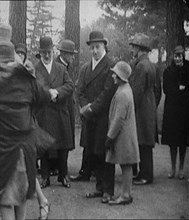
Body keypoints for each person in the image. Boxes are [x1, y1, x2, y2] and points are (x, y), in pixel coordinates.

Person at [0, 32, 53, 219]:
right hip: (24, 150)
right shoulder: (26, 80)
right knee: (21, 195)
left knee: (6, 199)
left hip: (2, 152)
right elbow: (45, 96)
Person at [77, 30, 117, 203]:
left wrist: (91, 108)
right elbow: (80, 91)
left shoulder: (111, 64)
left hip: (103, 117)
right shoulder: (86, 67)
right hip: (90, 117)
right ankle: (99, 188)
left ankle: (108, 189)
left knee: (104, 154)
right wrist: (85, 107)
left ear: (104, 47)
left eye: (97, 47)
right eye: (92, 47)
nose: (94, 51)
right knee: (93, 151)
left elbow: (107, 93)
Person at [15, 42, 51, 220]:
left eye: (22, 54)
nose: (20, 56)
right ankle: (40, 202)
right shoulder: (13, 69)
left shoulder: (28, 69)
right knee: (22, 168)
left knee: (27, 168)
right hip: (18, 125)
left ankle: (42, 202)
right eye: (17, 53)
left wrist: (32, 76)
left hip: (27, 125)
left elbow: (39, 95)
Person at [35, 36, 74, 189]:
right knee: (44, 147)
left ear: (53, 51)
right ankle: (45, 177)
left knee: (63, 146)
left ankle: (63, 176)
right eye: (43, 52)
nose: (46, 55)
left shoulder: (61, 68)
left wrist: (57, 92)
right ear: (39, 52)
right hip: (43, 113)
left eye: (49, 51)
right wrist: (46, 93)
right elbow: (31, 88)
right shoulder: (35, 69)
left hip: (60, 112)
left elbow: (70, 86)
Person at [104, 61, 140, 205]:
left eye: (115, 74)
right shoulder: (125, 89)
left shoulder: (123, 94)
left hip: (123, 136)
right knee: (127, 164)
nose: (113, 76)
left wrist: (109, 137)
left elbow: (119, 118)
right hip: (126, 135)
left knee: (125, 165)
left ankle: (125, 195)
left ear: (120, 76)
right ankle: (126, 193)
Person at [128, 33, 157, 185]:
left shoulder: (140, 66)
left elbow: (136, 92)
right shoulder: (151, 65)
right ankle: (144, 173)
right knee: (145, 141)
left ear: (139, 48)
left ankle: (146, 175)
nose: (132, 49)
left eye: (133, 46)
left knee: (143, 142)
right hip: (149, 106)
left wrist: (130, 107)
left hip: (141, 109)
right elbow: (157, 90)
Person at [161, 45, 189, 180]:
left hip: (184, 110)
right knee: (173, 141)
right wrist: (179, 90)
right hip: (172, 110)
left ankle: (181, 169)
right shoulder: (168, 71)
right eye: (176, 56)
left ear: (183, 56)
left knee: (183, 141)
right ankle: (173, 168)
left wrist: (184, 92)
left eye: (180, 56)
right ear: (173, 57)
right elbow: (167, 89)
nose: (178, 59)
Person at [54, 39, 77, 177]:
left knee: (65, 137)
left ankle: (60, 167)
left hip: (67, 106)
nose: (73, 57)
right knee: (61, 137)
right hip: (60, 107)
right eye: (71, 54)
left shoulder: (66, 66)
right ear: (64, 54)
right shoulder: (57, 66)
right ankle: (58, 168)